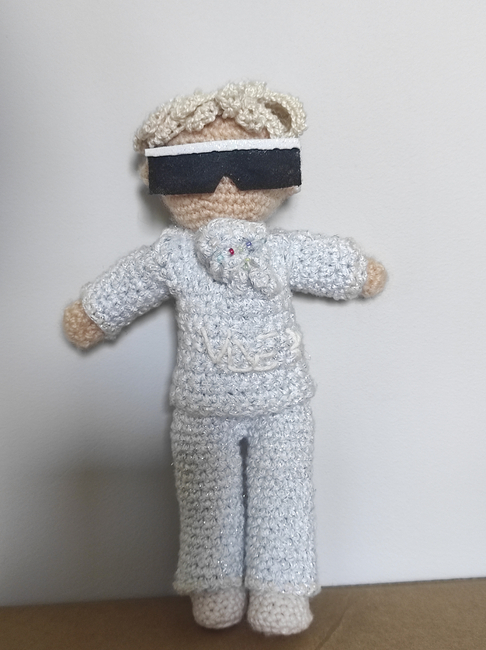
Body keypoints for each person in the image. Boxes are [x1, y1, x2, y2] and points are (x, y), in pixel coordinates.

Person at [64, 81, 386, 635]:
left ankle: (281, 587)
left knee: (284, 491)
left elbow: (327, 261)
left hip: (281, 400)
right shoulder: (174, 255)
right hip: (203, 402)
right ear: (158, 179)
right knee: (206, 497)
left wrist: (358, 272)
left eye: (253, 169)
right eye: (191, 174)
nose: (225, 186)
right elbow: (129, 284)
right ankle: (215, 585)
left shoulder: (278, 251)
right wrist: (93, 314)